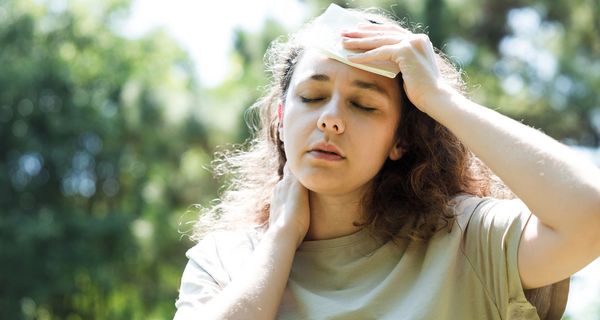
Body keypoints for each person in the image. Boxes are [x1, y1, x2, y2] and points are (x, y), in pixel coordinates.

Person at [174, 5, 600, 320]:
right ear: (281, 119)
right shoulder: (225, 260)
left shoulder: (469, 240)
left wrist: (439, 99)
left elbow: (591, 212)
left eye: (363, 104)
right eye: (311, 97)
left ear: (401, 140)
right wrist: (282, 238)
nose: (331, 118)